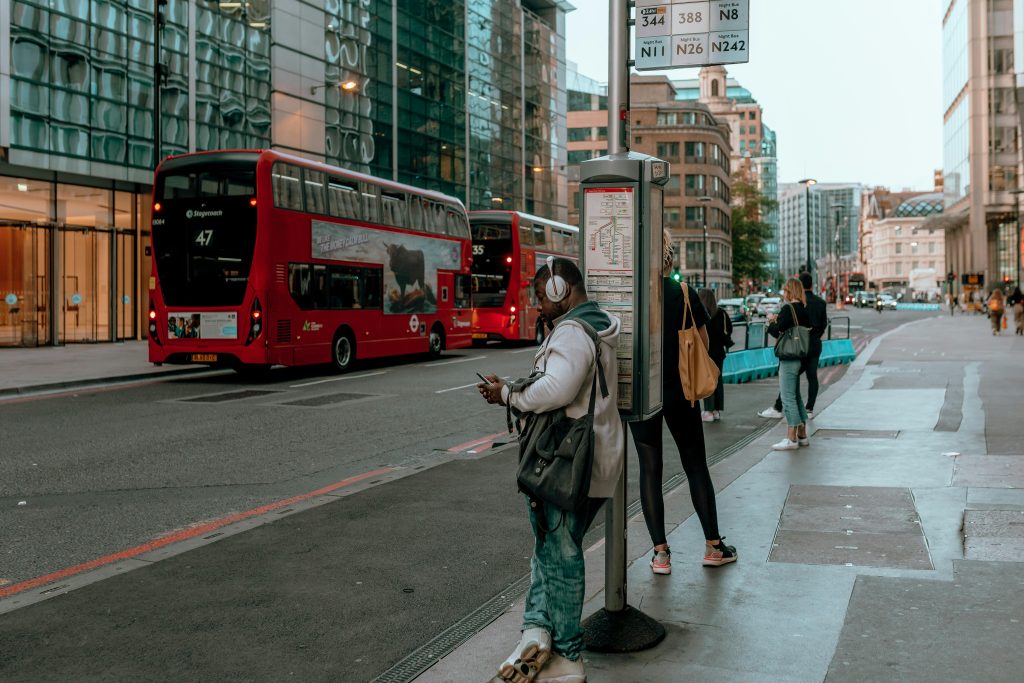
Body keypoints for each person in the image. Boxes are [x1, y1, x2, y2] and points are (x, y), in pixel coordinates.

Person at [477, 257, 622, 683]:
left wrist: (510, 396)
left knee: (560, 555)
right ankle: (536, 629)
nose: (538, 306)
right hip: (596, 456)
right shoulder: (597, 322)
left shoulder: (574, 331)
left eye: (541, 297)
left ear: (561, 290)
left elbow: (558, 388)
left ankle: (568, 656)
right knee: (550, 547)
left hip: (569, 461)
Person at [629, 232, 736, 578]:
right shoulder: (684, 294)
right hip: (681, 393)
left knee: (650, 469)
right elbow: (704, 343)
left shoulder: (632, 296)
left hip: (643, 393)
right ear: (669, 258)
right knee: (695, 466)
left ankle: (661, 554)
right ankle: (713, 546)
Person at [757, 272, 827, 420]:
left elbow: (779, 331)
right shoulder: (815, 303)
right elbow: (822, 325)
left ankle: (785, 422)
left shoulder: (791, 308)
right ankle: (808, 411)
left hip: (794, 350)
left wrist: (771, 322)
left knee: (789, 388)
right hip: (812, 345)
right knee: (811, 378)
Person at [767, 278, 812, 450]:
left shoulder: (788, 309)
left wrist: (771, 321)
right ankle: (802, 434)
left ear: (789, 291)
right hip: (801, 357)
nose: (784, 293)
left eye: (785, 290)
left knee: (787, 397)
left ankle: (791, 438)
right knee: (795, 395)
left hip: (789, 358)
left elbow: (776, 331)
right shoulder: (802, 309)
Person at [699, 288, 732, 422]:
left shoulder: (701, 313)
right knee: (718, 380)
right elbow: (729, 329)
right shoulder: (721, 312)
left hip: (706, 352)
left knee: (708, 380)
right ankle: (717, 410)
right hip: (719, 352)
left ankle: (708, 411)